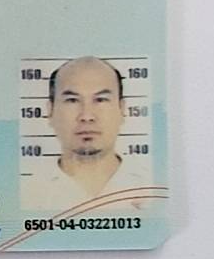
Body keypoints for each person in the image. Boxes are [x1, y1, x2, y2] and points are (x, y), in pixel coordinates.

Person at [27, 57, 148, 211]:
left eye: (101, 100)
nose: (87, 116)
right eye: (72, 100)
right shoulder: (29, 193)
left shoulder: (152, 189)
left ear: (122, 109)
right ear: (50, 111)